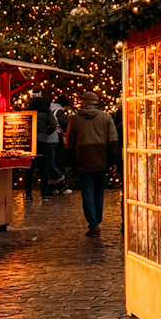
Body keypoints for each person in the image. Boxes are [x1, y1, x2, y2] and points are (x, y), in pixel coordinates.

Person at [66, 90, 117, 237]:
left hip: (83, 159)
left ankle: (93, 223)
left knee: (87, 192)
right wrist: (112, 161)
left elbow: (70, 144)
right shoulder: (106, 118)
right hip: (101, 158)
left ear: (83, 102)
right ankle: (97, 220)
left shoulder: (74, 120)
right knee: (99, 192)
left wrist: (73, 164)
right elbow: (113, 140)